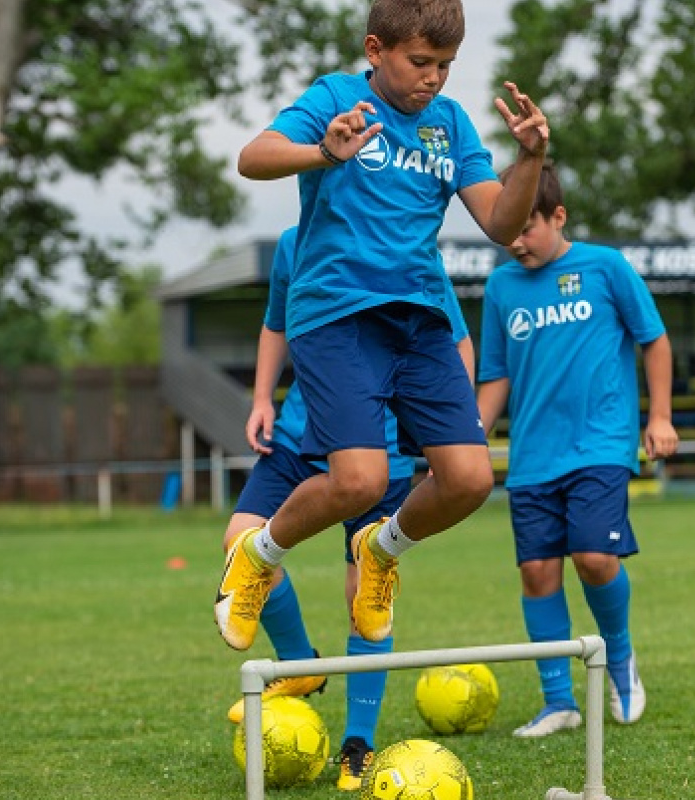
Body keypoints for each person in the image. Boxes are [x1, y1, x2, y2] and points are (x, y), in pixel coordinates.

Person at [215, 0, 548, 657]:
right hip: (337, 314)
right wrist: (321, 151)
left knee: (470, 481)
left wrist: (531, 158)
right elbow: (253, 158)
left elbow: (502, 225)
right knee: (360, 482)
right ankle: (259, 554)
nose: (434, 78)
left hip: (420, 317)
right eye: (420, 62)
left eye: (446, 65)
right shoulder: (337, 97)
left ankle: (381, 547)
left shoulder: (450, 125)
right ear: (376, 50)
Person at [224, 225, 475, 790]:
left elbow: (455, 339)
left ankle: (357, 743)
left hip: (379, 449)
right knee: (238, 542)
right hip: (296, 439)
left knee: (363, 588)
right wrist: (263, 396)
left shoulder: (405, 242)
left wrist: (450, 434)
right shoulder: (294, 243)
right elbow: (276, 323)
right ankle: (299, 667)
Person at [477, 161, 679, 737]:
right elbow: (496, 376)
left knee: (592, 559)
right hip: (532, 457)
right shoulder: (500, 286)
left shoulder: (606, 266)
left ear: (557, 217)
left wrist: (659, 416)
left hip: (601, 444)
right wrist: (468, 437)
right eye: (506, 230)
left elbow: (655, 340)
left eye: (527, 227)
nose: (515, 241)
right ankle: (559, 702)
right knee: (538, 574)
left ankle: (620, 662)